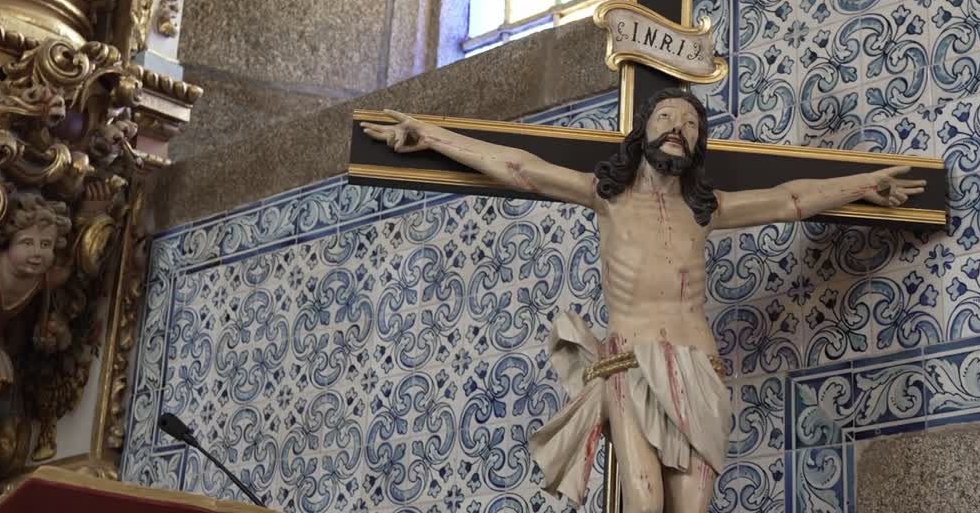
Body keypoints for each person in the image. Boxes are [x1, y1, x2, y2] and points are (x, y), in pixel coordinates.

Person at [362, 87, 924, 513]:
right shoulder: (606, 198)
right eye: (665, 118)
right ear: (643, 132)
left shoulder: (709, 209)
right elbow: (519, 167)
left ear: (699, 143)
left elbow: (791, 200)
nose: (678, 128)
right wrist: (432, 137)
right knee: (643, 499)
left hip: (699, 367)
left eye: (689, 123)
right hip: (629, 364)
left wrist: (863, 184)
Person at [0, 189, 71, 418]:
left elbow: (78, 261)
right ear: (8, 241)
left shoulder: (45, 280)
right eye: (27, 243)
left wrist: (92, 211)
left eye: (46, 244)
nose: (37, 253)